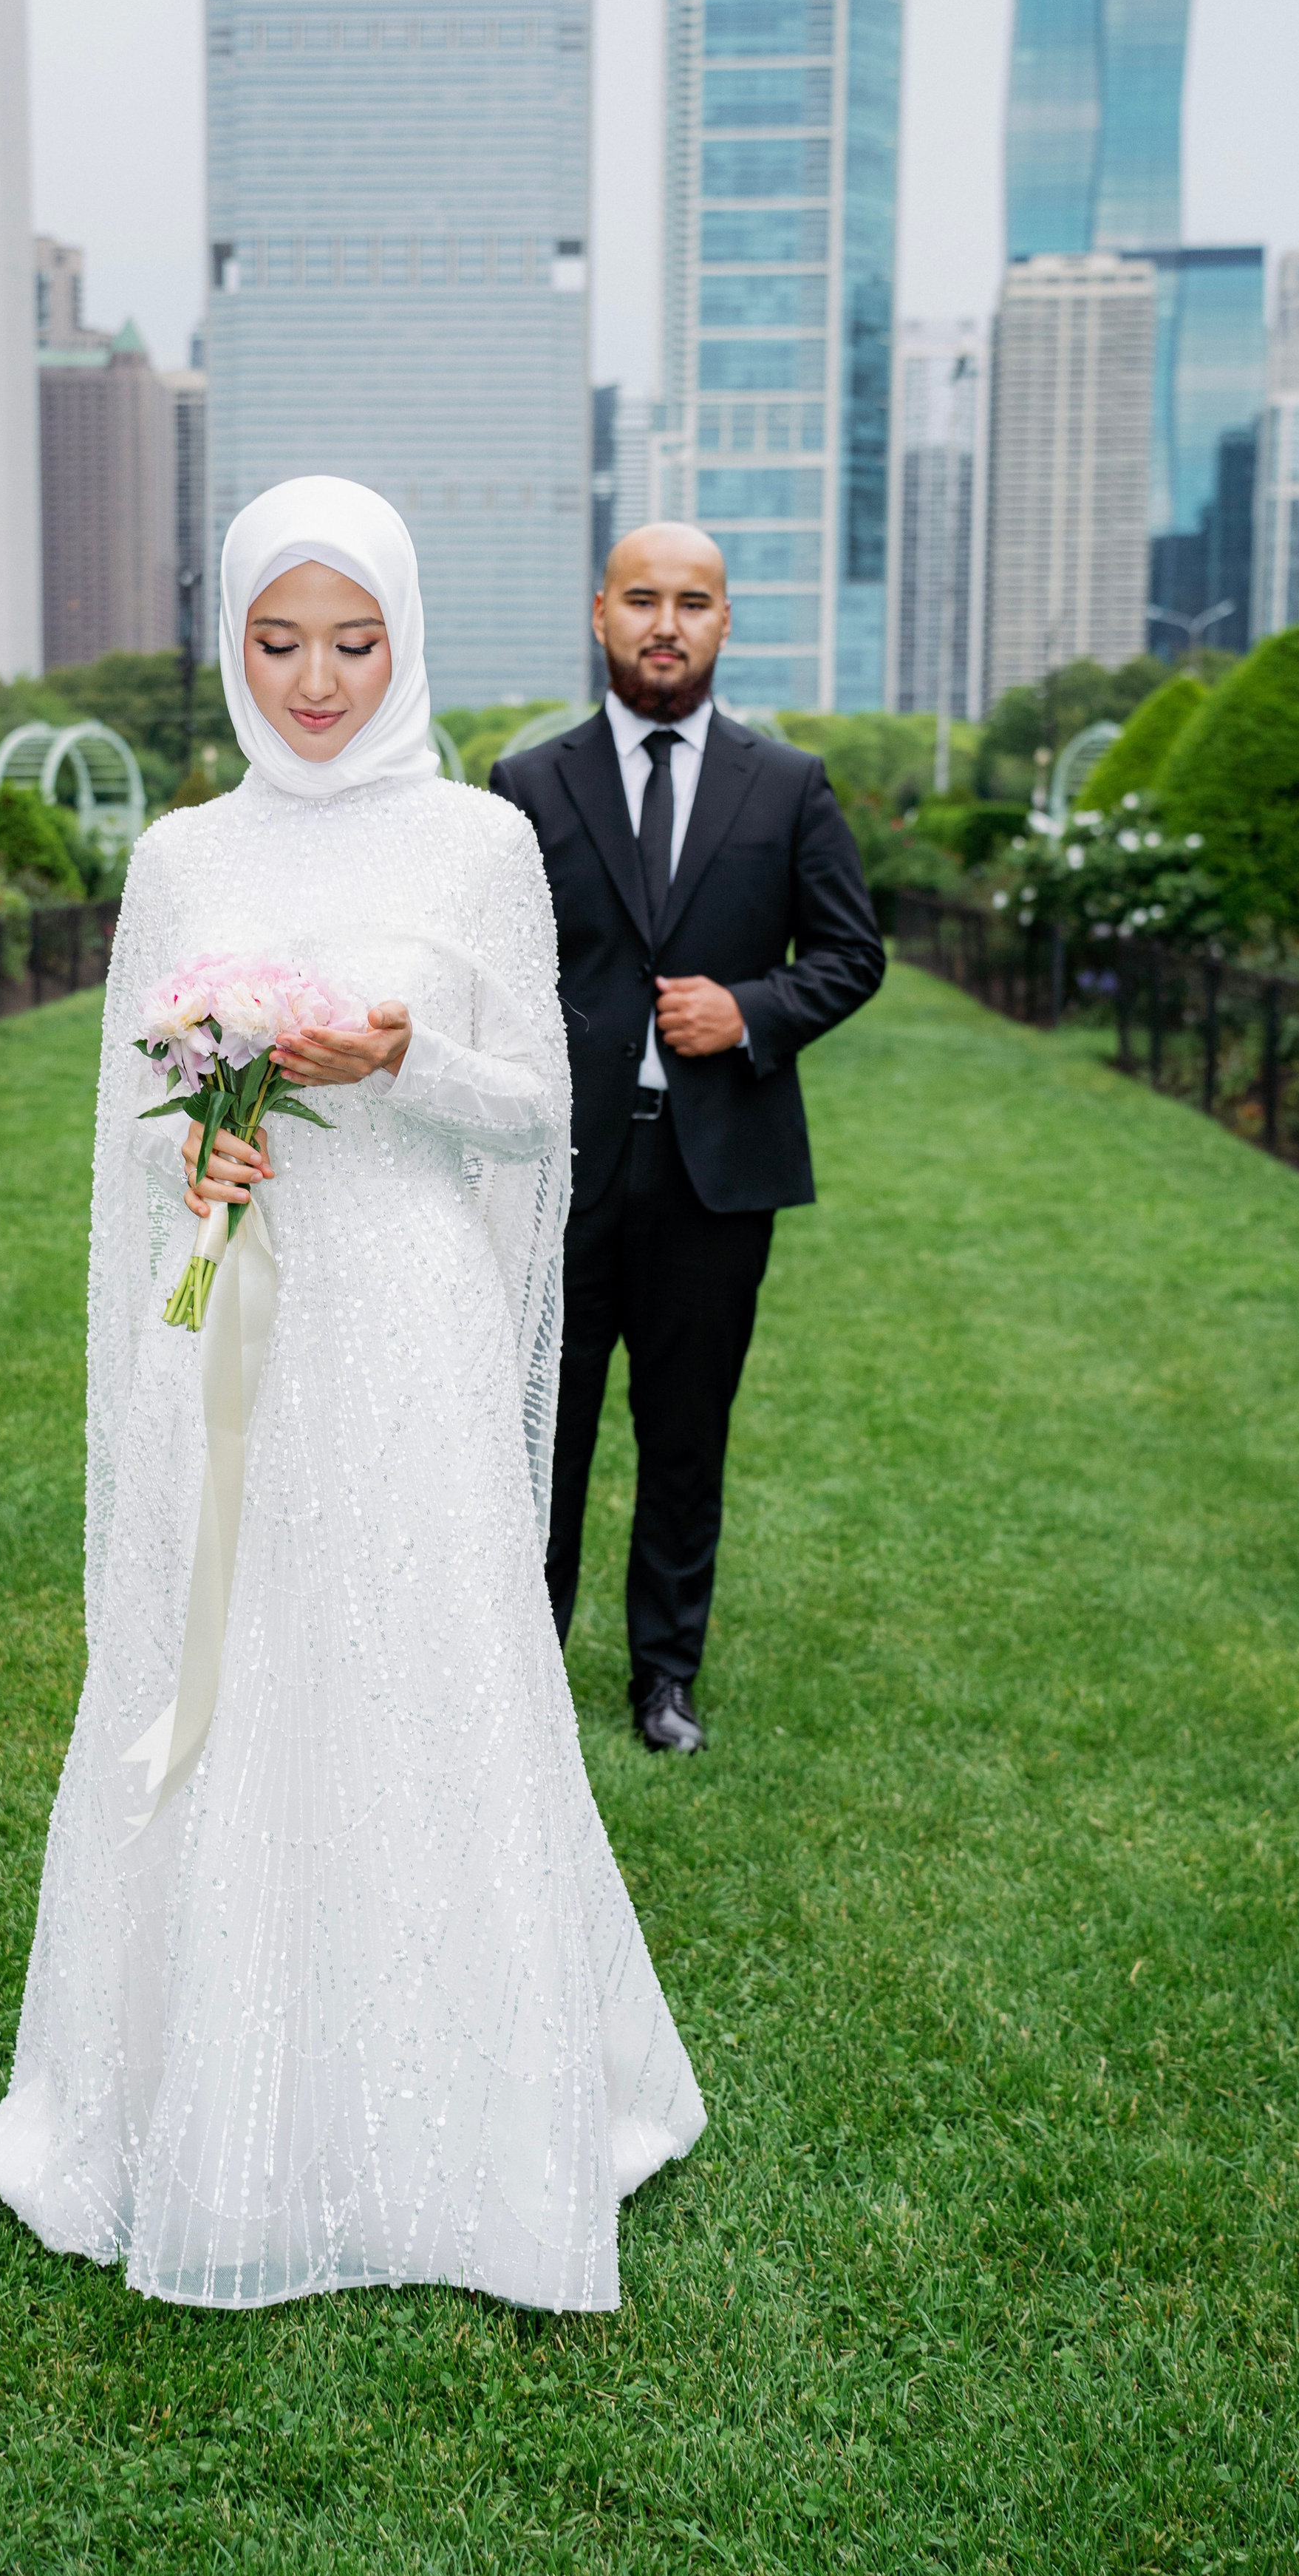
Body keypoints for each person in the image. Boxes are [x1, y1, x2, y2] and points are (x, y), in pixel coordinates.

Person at [0, 478, 703, 2313]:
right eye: (275, 640)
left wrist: (398, 1055)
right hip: (230, 1329)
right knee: (226, 1659)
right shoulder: (180, 860)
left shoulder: (474, 842)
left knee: (413, 1658)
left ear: (404, 640)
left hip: (408, 1320)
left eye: (350, 642)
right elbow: (128, 1143)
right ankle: (187, 2090)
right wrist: (198, 1166)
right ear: (228, 645)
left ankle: (452, 2089)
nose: (312, 678)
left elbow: (538, 1109)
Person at [491, 525, 884, 1756]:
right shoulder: (527, 783)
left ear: (725, 623)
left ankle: (665, 1679)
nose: (668, 623)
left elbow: (851, 955)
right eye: (644, 599)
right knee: (540, 1428)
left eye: (694, 602)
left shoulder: (789, 786)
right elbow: (491, 970)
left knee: (686, 1431)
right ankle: (524, 1668)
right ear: (600, 613)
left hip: (719, 1172)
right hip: (561, 1168)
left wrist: (750, 1010)